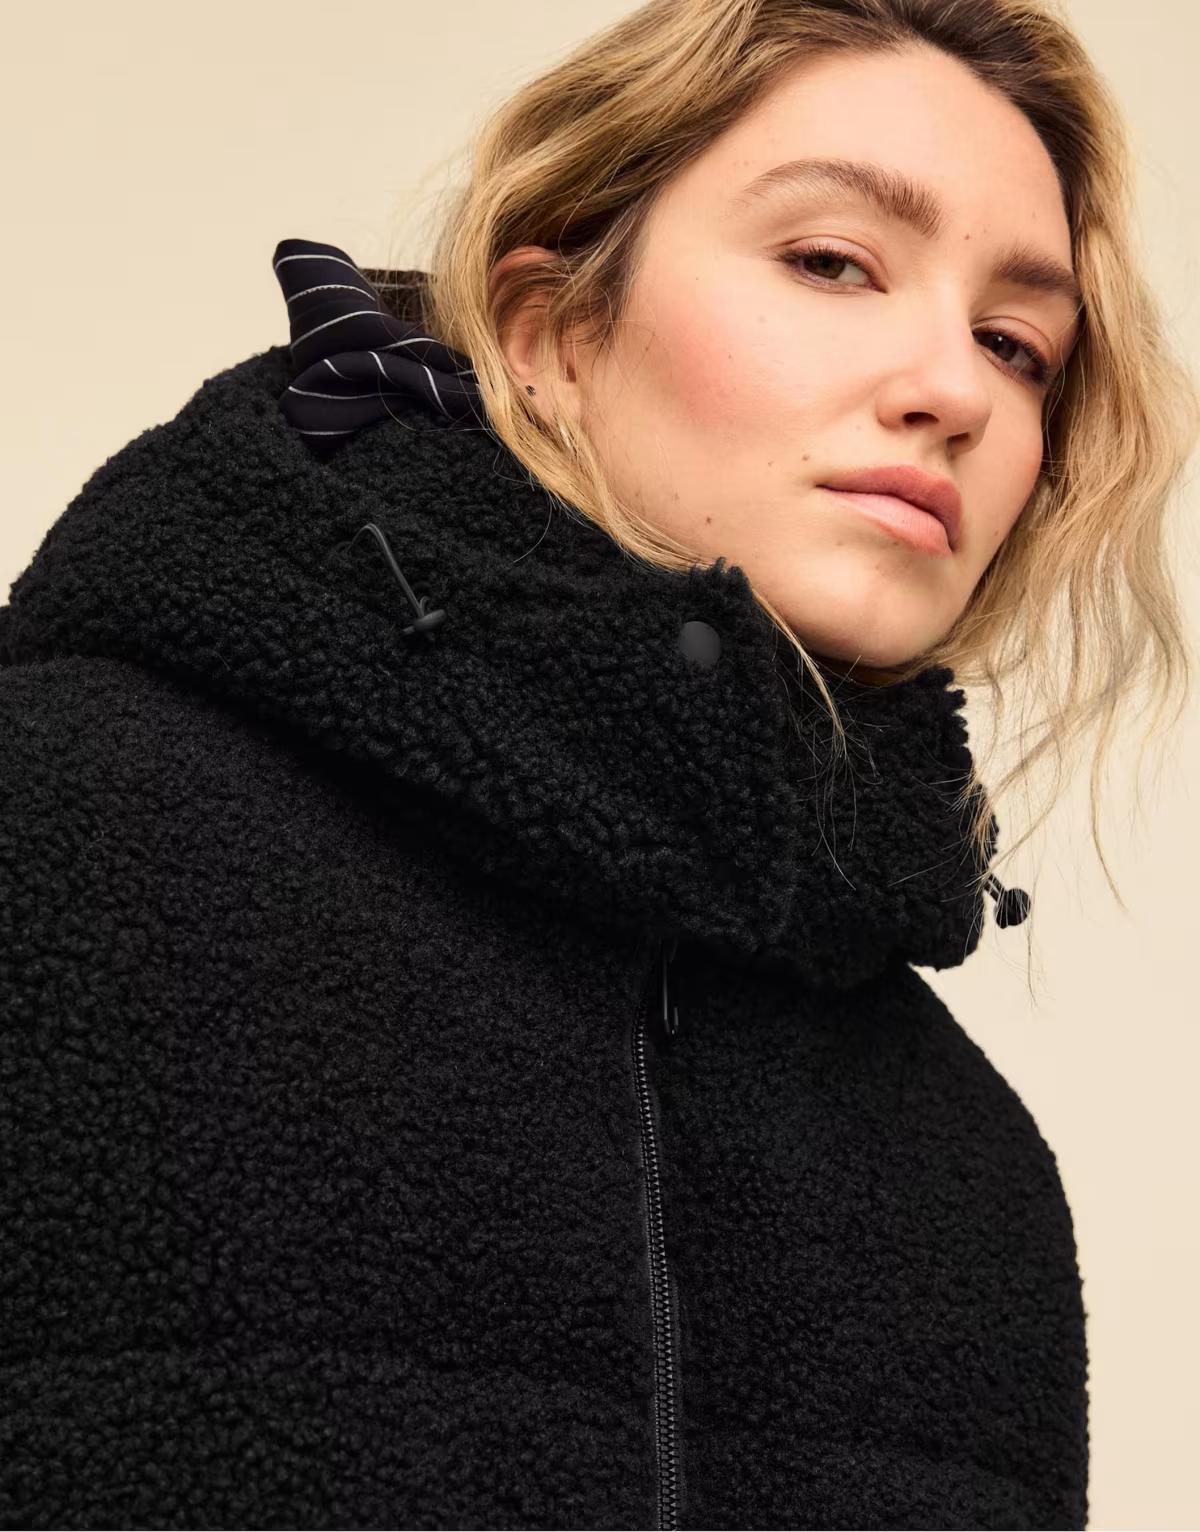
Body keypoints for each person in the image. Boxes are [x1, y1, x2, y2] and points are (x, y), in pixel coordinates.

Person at [1, 1, 1195, 1527]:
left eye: (1016, 345)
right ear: (551, 331)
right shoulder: (49, 831)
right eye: (834, 262)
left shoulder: (969, 1175)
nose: (955, 391)